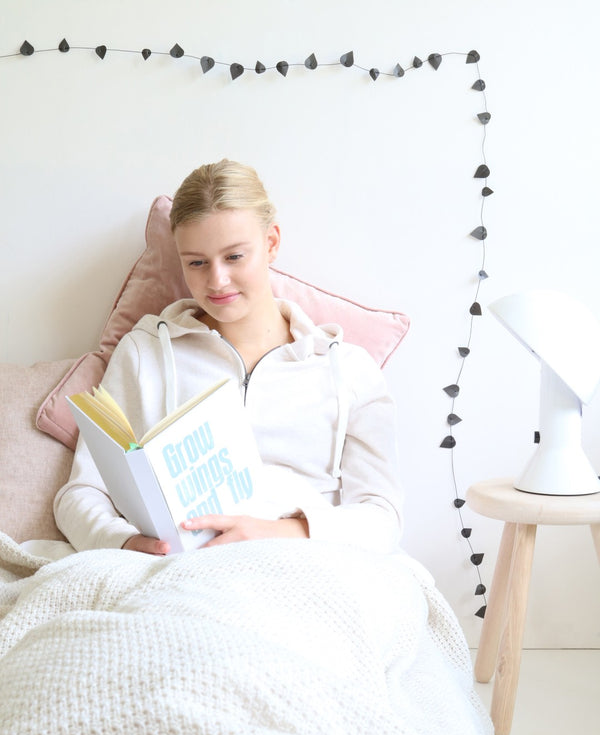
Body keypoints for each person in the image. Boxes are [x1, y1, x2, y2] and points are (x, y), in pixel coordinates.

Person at [55, 160, 403, 555]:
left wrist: (280, 531)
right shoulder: (145, 351)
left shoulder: (351, 371)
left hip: (305, 565)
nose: (217, 281)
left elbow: (383, 519)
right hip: (175, 569)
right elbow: (81, 493)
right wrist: (127, 543)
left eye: (235, 257)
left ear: (271, 243)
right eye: (197, 263)